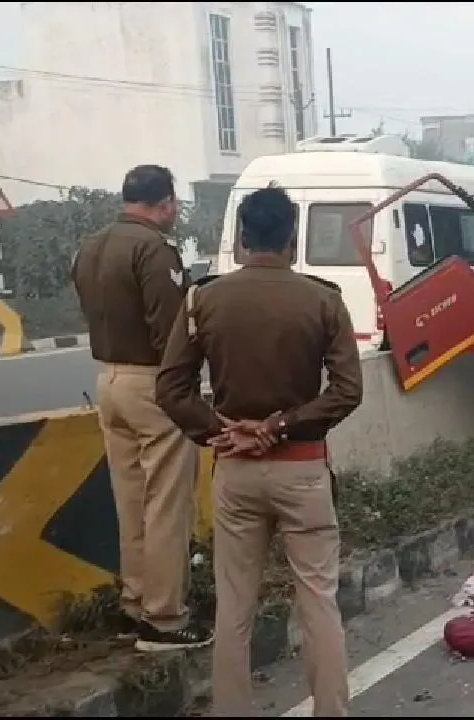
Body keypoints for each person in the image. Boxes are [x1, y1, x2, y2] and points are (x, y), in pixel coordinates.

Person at [155, 186, 363, 717]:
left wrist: (218, 431)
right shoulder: (323, 299)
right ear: (293, 236)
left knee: (235, 608)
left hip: (236, 473)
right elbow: (346, 391)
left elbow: (171, 389)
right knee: (318, 601)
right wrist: (281, 424)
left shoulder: (203, 299)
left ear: (242, 237)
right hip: (303, 472)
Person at [70, 164, 212, 651]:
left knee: (129, 501)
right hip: (153, 383)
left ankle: (135, 604)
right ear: (166, 203)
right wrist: (188, 393)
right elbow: (173, 332)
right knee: (167, 505)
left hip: (108, 378)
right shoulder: (155, 249)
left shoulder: (91, 247)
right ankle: (166, 618)